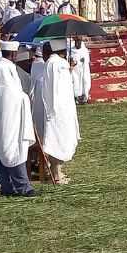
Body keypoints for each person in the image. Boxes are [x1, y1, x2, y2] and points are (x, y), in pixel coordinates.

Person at [0, 42, 36, 196]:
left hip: (9, 115)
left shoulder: (4, 67)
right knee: (12, 150)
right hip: (8, 116)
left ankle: (7, 187)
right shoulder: (3, 69)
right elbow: (8, 96)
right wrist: (24, 98)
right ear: (14, 54)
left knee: (7, 150)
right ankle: (23, 187)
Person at [39, 38, 81, 183]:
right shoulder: (59, 64)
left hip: (54, 109)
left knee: (56, 138)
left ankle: (56, 172)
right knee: (59, 139)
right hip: (60, 110)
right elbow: (60, 89)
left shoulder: (51, 63)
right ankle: (56, 175)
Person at [70, 36, 92, 104]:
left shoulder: (84, 50)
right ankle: (76, 97)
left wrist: (83, 61)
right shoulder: (71, 50)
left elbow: (87, 60)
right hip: (75, 71)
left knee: (84, 82)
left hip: (83, 69)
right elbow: (70, 60)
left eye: (79, 41)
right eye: (76, 41)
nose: (77, 43)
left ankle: (84, 96)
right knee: (75, 82)